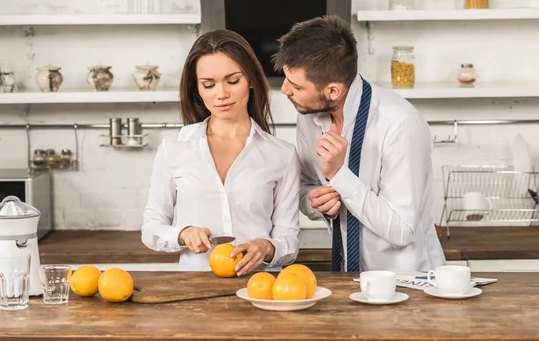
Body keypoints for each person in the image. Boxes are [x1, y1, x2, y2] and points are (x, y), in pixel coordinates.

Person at [274, 15, 446, 272]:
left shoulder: (400, 125)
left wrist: (338, 175)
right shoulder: (309, 117)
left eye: (296, 86)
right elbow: (305, 185)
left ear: (333, 91)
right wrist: (315, 203)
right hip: (347, 279)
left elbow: (402, 230)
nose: (285, 90)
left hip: (406, 284)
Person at [142, 29, 301, 275]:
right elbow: (151, 228)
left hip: (258, 288)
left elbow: (288, 238)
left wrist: (267, 247)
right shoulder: (174, 148)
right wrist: (183, 234)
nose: (221, 94)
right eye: (209, 84)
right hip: (193, 292)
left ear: (250, 81)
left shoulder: (282, 154)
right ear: (197, 90)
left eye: (233, 81)